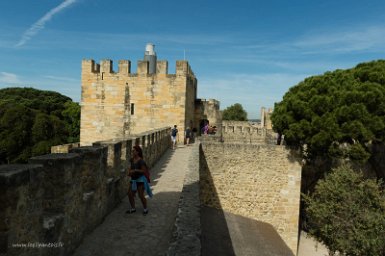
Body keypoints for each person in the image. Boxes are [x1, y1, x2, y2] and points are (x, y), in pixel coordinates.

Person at [126, 145, 152, 215]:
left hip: (140, 180)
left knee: (141, 195)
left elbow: (144, 171)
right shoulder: (132, 160)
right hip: (133, 179)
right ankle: (133, 208)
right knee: (130, 194)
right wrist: (129, 172)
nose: (132, 152)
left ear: (137, 152)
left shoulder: (141, 161)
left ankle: (145, 208)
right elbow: (130, 167)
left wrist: (135, 170)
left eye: (133, 151)